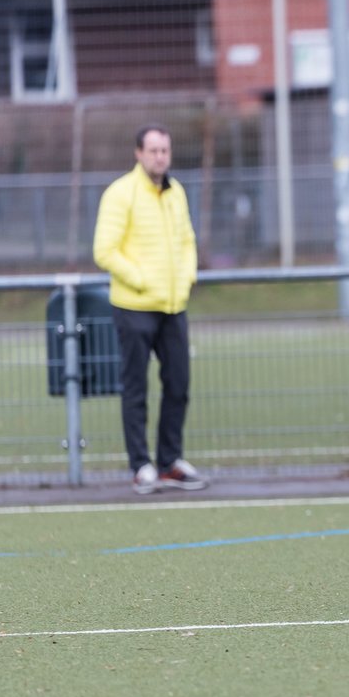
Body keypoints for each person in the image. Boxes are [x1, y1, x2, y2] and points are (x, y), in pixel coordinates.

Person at [92, 124, 207, 495]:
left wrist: (187, 275)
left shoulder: (176, 193)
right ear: (138, 153)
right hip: (135, 306)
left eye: (165, 150)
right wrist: (140, 279)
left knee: (178, 384)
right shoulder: (120, 193)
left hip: (174, 306)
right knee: (135, 388)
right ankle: (142, 465)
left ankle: (170, 461)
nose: (160, 156)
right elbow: (104, 250)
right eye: (154, 150)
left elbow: (188, 240)